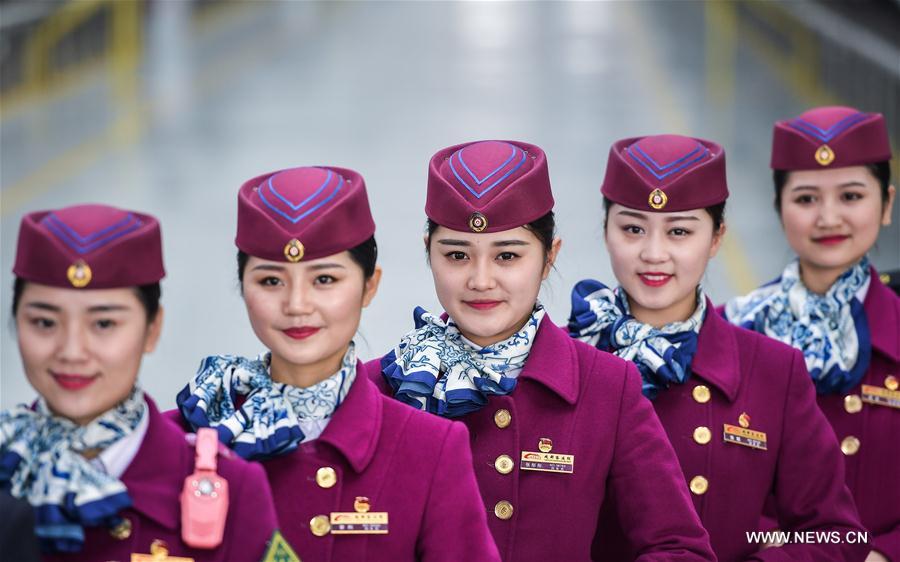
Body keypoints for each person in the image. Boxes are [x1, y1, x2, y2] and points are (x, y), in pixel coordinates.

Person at [367, 140, 716, 561]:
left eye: (507, 256)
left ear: (549, 257)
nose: (480, 280)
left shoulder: (606, 387)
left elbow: (678, 546)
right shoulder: (380, 387)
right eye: (457, 255)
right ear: (429, 252)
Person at [173, 166, 500, 561]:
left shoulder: (429, 450)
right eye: (271, 281)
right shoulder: (186, 436)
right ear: (242, 286)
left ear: (369, 285)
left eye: (324, 280)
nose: (297, 305)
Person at [568, 133, 869, 561]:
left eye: (679, 232)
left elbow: (838, 535)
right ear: (606, 231)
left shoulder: (772, 371)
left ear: (715, 239)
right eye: (633, 228)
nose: (654, 254)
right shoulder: (562, 359)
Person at [1, 204, 281, 561]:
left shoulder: (233, 490)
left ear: (153, 329)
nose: (71, 351)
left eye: (103, 324)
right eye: (44, 322)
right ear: (15, 323)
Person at [725, 106, 898, 562]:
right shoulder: (730, 334)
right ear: (779, 209)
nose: (827, 218)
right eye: (805, 199)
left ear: (887, 204)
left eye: (851, 196)